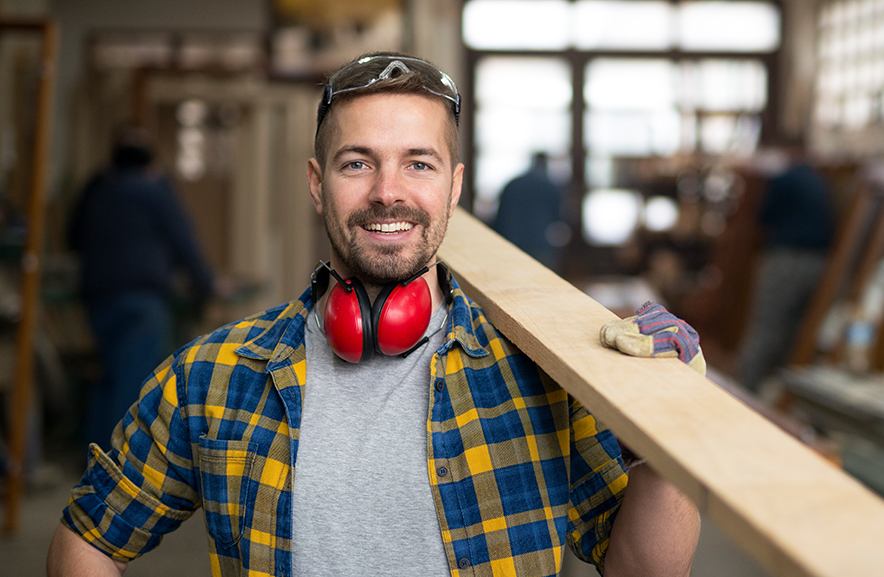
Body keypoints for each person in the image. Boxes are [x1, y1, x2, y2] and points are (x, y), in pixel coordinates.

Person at [48, 52, 699, 577]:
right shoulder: (213, 378)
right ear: (315, 182)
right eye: (357, 163)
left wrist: (668, 433)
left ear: (456, 186)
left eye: (419, 163)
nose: (388, 190)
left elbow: (644, 567)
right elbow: (89, 536)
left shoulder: (541, 371)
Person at [68, 126, 214, 451]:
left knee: (108, 375)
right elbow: (184, 241)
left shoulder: (97, 189)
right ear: (150, 162)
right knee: (132, 383)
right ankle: (117, 464)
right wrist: (205, 285)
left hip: (98, 299)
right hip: (142, 301)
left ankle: (92, 456)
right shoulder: (154, 191)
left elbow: (73, 237)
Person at [738, 148, 833, 393]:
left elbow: (763, 216)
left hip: (786, 259)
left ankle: (743, 393)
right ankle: (778, 395)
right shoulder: (817, 180)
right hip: (819, 263)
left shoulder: (785, 179)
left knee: (766, 329)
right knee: (796, 334)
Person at [492, 152, 565, 271]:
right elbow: (558, 220)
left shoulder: (512, 184)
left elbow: (498, 218)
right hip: (540, 246)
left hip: (510, 244)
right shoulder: (551, 186)